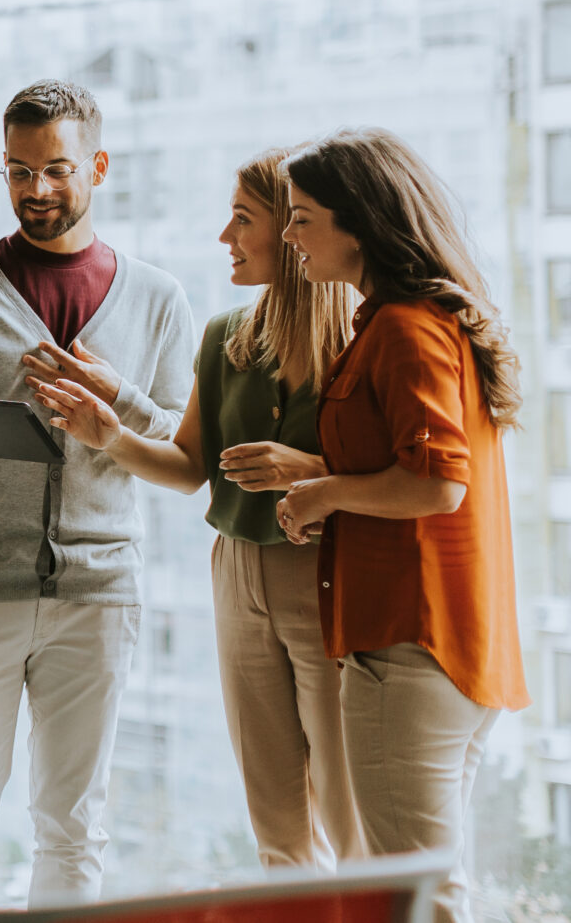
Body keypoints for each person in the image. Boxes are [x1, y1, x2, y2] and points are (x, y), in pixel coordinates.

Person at [28, 148, 365, 870]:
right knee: (275, 815)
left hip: (328, 575)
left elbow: (389, 475)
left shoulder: (359, 343)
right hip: (238, 574)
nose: (225, 237)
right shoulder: (225, 337)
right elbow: (189, 469)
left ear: (291, 228)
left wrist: (312, 471)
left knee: (346, 808)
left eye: (243, 219)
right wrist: (109, 434)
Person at [0, 80, 194, 913]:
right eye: (18, 171)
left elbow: (178, 446)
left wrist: (113, 397)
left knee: (74, 823)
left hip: (99, 591)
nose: (36, 190)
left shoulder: (159, 298)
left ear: (97, 166)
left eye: (56, 170)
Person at [274, 128, 526, 923]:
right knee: (425, 886)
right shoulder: (411, 320)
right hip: (441, 645)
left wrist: (325, 495)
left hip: (410, 645)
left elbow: (437, 483)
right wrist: (319, 477)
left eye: (303, 217)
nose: (290, 236)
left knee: (410, 897)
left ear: (360, 223)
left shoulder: (406, 328)